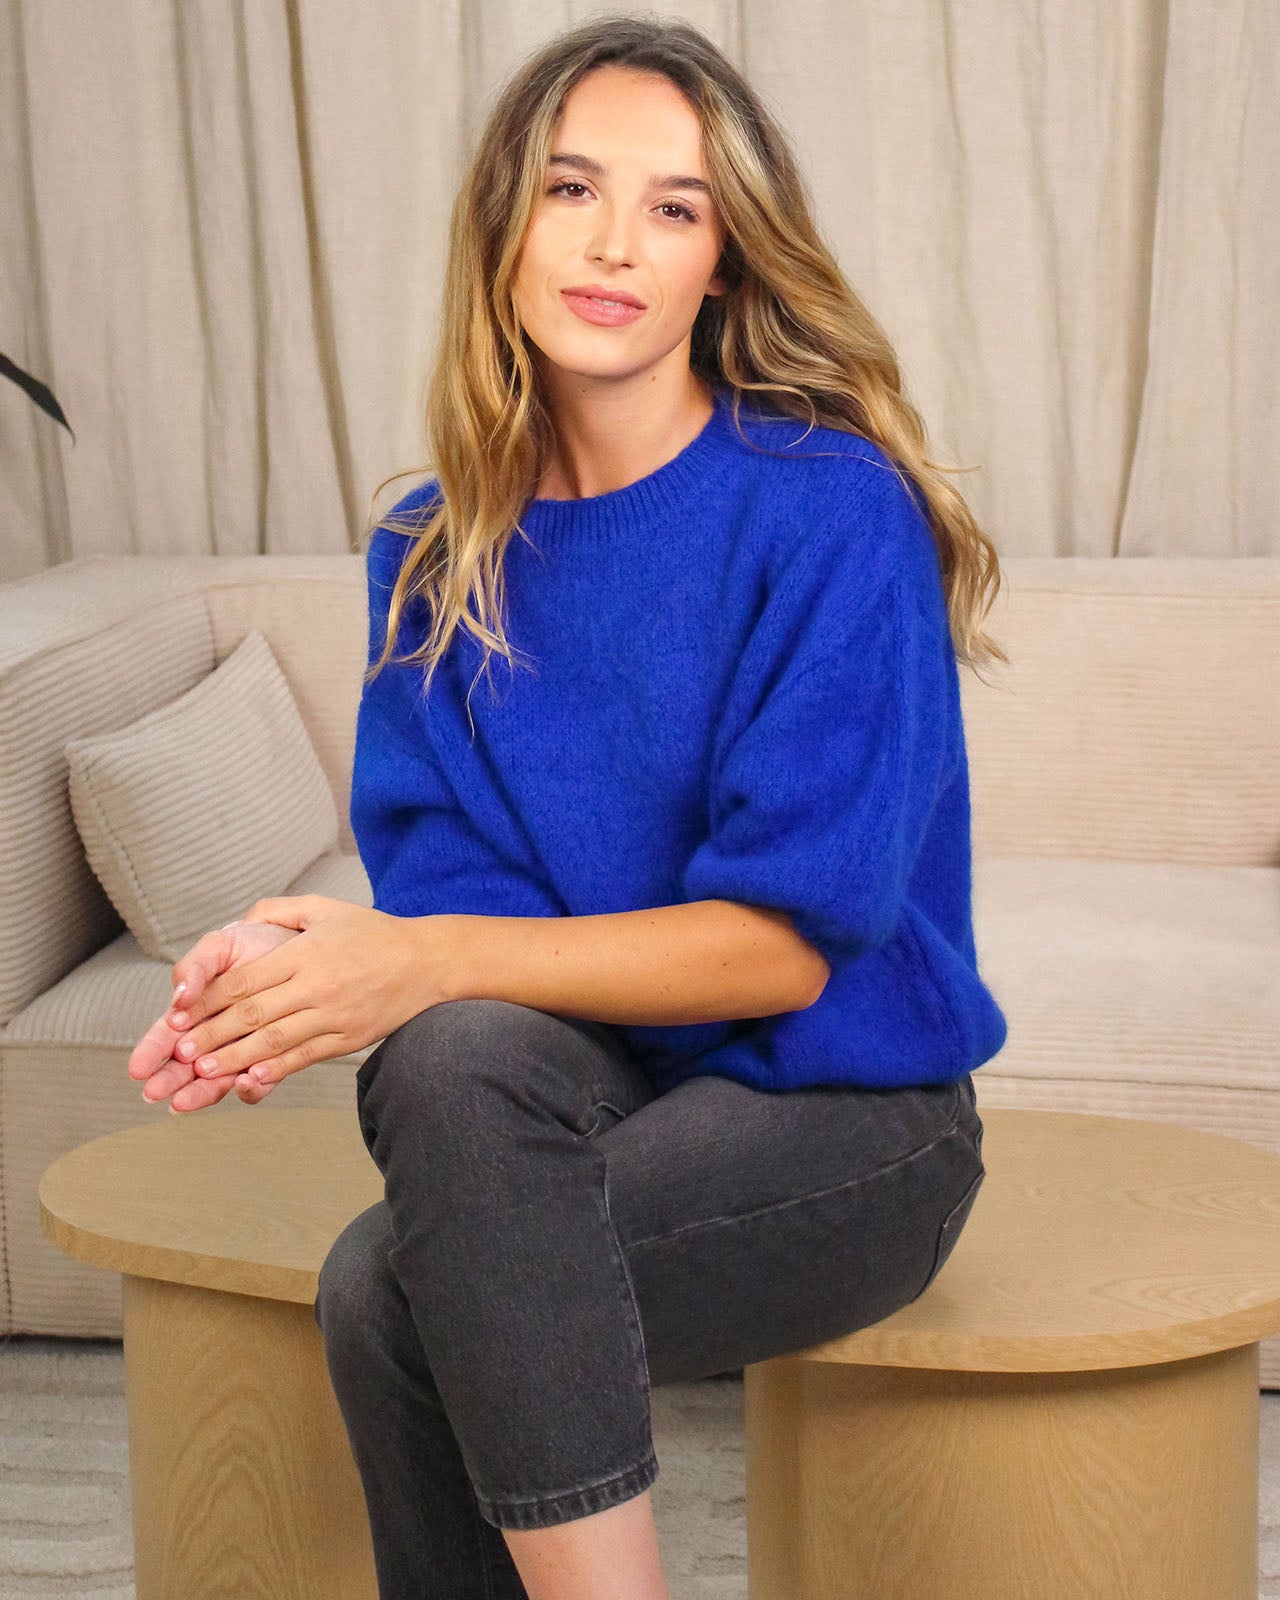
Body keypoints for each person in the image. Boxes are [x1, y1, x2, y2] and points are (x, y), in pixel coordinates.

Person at [128, 16, 1009, 1599]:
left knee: (389, 1291)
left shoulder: (829, 508)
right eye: (572, 188)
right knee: (447, 1060)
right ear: (505, 223)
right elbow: (472, 944)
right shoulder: (434, 550)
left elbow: (784, 951)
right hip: (603, 1096)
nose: (614, 245)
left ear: (723, 263)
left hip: (852, 1123)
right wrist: (308, 967)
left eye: (674, 208)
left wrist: (417, 960)